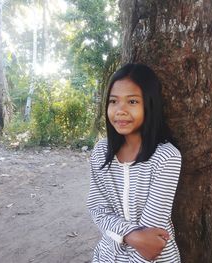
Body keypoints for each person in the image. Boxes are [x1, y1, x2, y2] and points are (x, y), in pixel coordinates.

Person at [87, 63, 182, 262]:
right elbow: (98, 209)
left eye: (132, 101)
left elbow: (151, 240)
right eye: (113, 101)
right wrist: (130, 235)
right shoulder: (101, 152)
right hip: (106, 255)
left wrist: (135, 238)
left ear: (149, 104)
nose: (120, 110)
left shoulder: (166, 158)